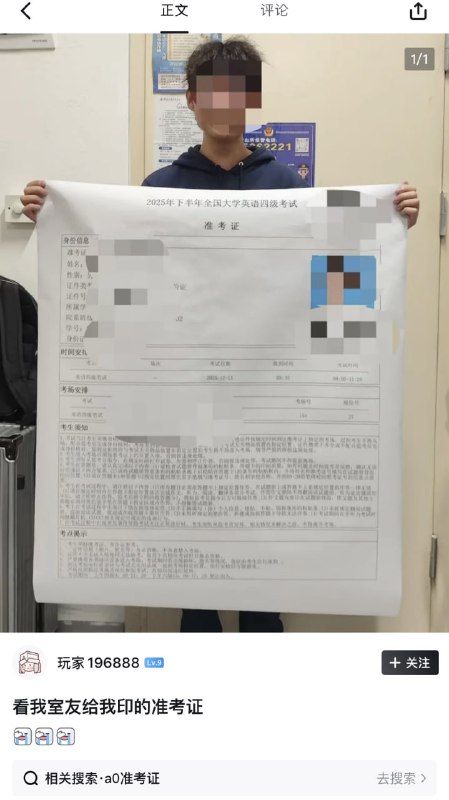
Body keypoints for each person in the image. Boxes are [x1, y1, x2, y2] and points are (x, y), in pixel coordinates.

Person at [21, 36, 420, 633]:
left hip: (268, 410)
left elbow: (337, 281)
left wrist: (389, 222)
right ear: (192, 100)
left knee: (264, 583)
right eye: (213, 91)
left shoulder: (287, 186)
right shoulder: (159, 189)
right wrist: (51, 216)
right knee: (196, 580)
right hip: (185, 409)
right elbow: (122, 293)